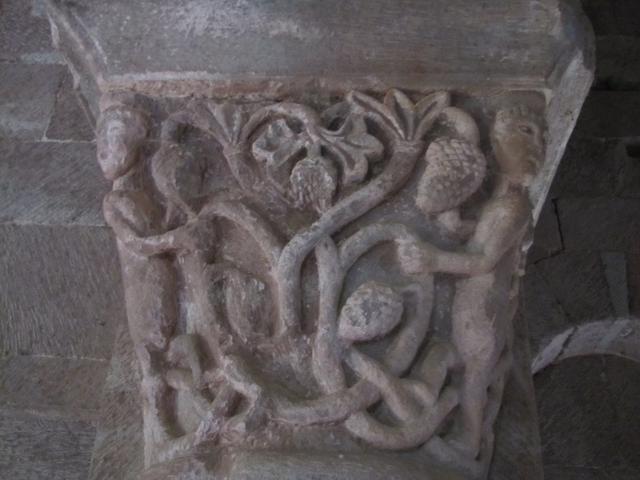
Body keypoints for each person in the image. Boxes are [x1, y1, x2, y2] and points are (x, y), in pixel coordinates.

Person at [398, 105, 544, 458]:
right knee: (448, 357)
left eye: (542, 137)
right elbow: (480, 239)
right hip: (475, 304)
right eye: (526, 131)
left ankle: (470, 440)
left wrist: (434, 259)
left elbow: (484, 260)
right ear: (497, 139)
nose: (537, 145)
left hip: (483, 307)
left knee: (473, 378)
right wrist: (455, 225)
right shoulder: (501, 201)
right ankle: (423, 399)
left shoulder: (513, 207)